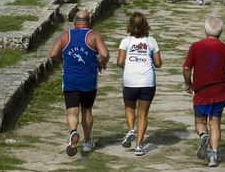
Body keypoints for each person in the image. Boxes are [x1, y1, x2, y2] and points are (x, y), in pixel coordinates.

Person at [49, 10, 110, 156]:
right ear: (89, 22)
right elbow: (105, 54)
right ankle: (87, 142)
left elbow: (52, 54)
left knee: (72, 110)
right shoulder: (94, 35)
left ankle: (73, 132)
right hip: (88, 79)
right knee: (86, 110)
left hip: (70, 79)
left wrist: (63, 62)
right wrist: (102, 63)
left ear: (75, 22)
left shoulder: (66, 35)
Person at [183, 17, 225, 167]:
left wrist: (188, 83)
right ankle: (213, 156)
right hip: (220, 92)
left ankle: (203, 135)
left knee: (200, 121)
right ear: (220, 32)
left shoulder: (196, 47)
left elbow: (187, 68)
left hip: (202, 92)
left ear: (205, 30)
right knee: (215, 123)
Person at [117, 12, 162, 156]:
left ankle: (131, 129)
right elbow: (158, 63)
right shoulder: (151, 41)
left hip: (130, 80)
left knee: (129, 107)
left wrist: (131, 61)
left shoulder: (125, 41)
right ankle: (139, 146)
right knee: (143, 114)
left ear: (130, 25)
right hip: (147, 81)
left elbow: (119, 62)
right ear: (145, 25)